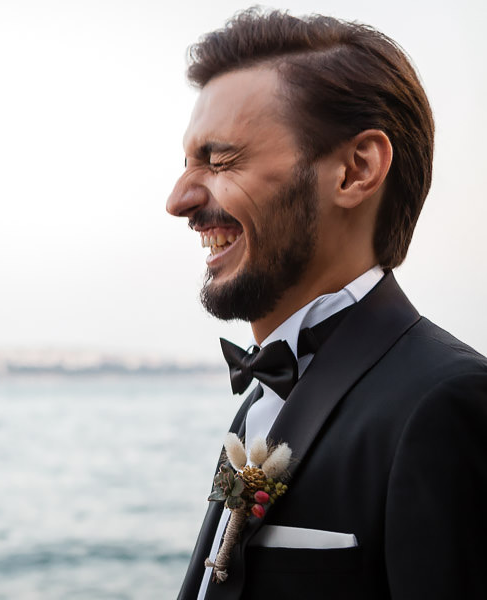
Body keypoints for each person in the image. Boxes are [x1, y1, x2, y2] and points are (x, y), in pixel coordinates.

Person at [165, 9, 487, 600]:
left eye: (220, 159)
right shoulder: (262, 398)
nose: (178, 199)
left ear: (356, 170)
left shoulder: (449, 404)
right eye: (186, 164)